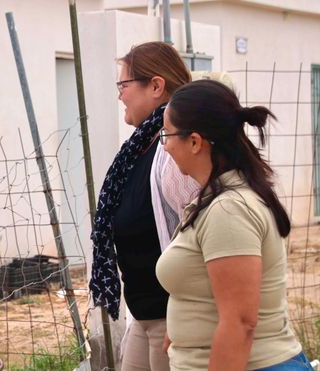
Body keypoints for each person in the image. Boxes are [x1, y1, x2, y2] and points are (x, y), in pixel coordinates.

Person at [156, 79, 312, 370]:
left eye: (167, 134)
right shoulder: (216, 200)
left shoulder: (229, 210)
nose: (164, 146)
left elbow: (240, 323)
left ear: (194, 142)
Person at [90, 41, 199, 371]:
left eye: (123, 85)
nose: (119, 95)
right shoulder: (137, 149)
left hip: (172, 318)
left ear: (155, 86)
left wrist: (183, 322)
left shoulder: (173, 152)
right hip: (144, 313)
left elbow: (199, 238)